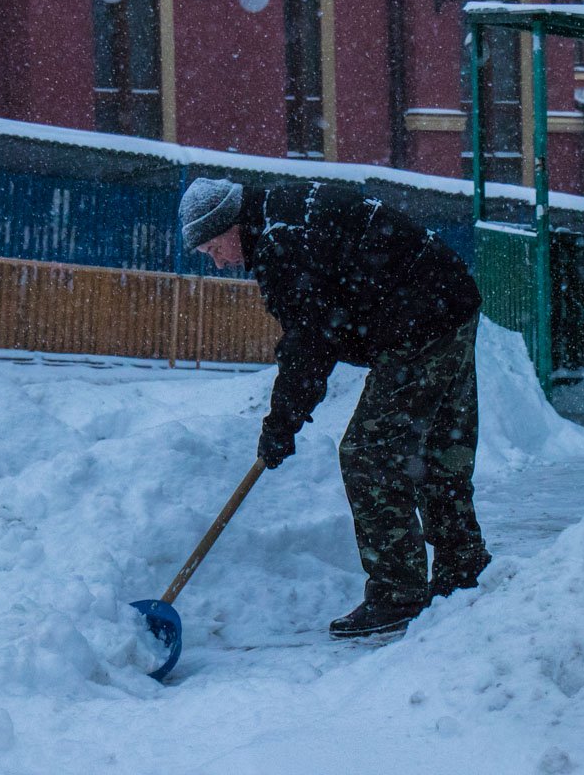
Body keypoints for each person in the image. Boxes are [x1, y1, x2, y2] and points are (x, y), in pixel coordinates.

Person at [178, 177, 491, 639]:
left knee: (369, 456)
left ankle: (397, 593)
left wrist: (281, 424)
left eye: (213, 248)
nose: (219, 262)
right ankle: (462, 568)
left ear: (231, 225)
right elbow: (320, 322)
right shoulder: (279, 214)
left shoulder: (281, 241)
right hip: (448, 300)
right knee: (438, 450)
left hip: (419, 321)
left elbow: (309, 342)